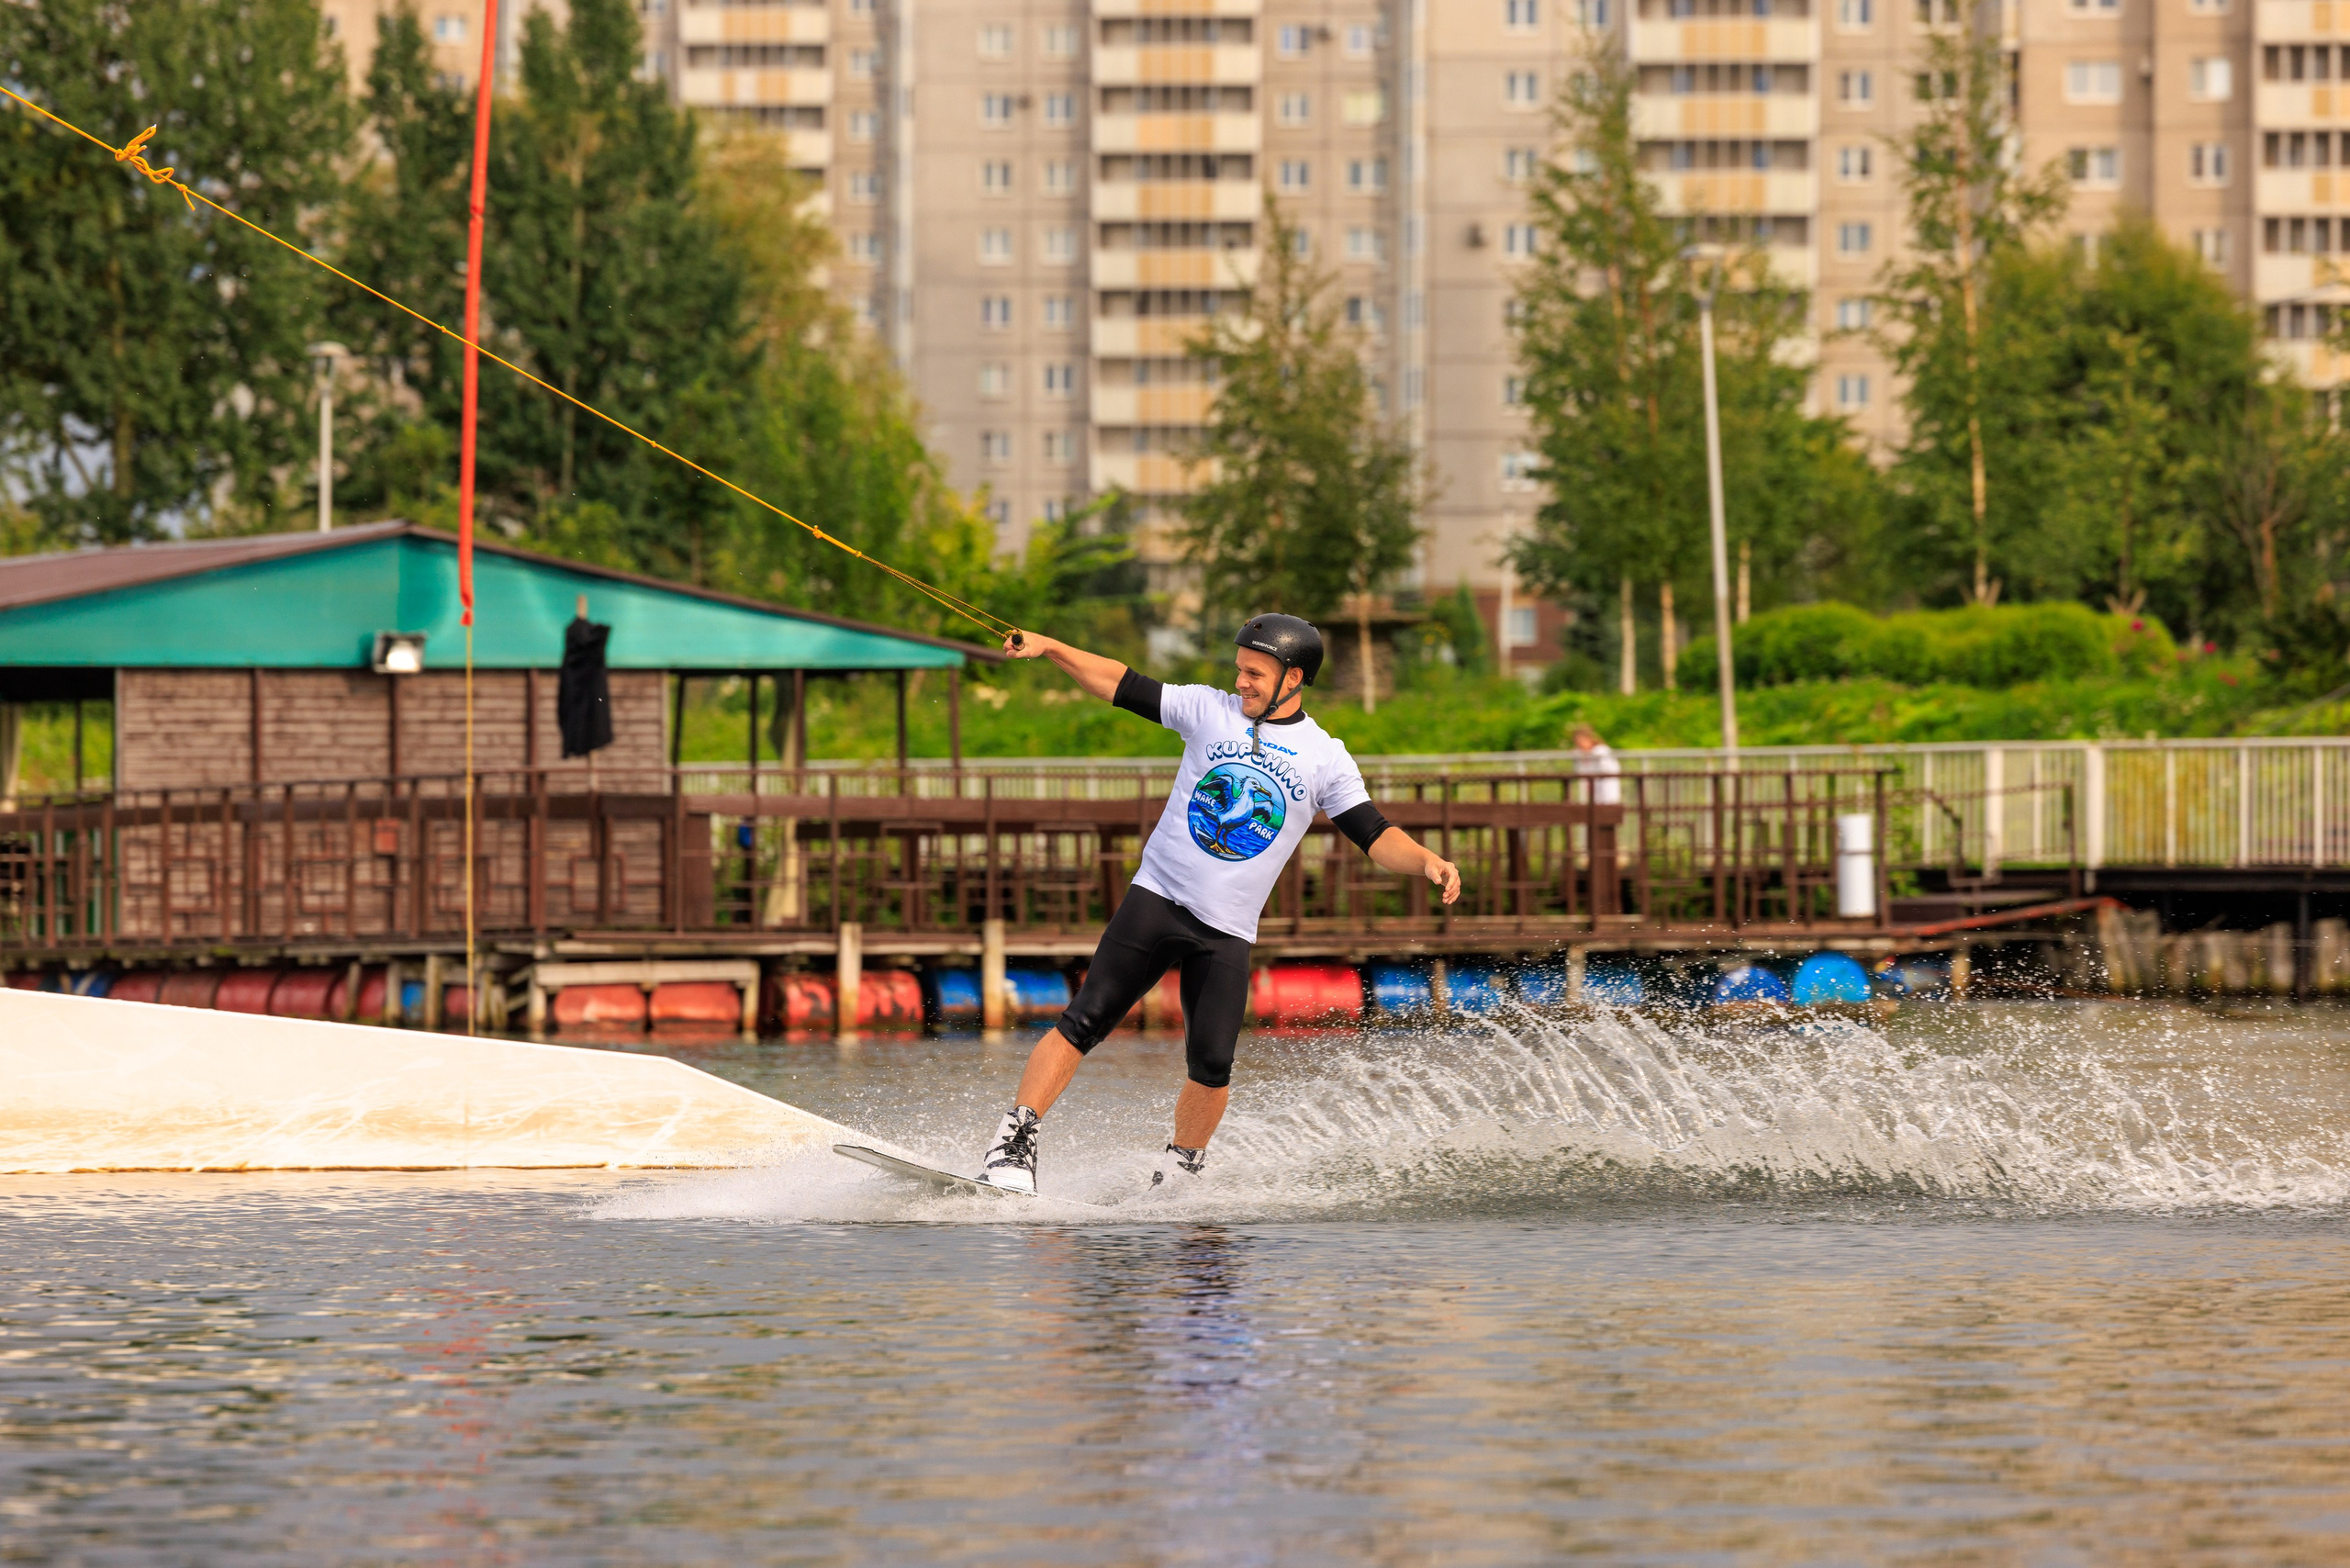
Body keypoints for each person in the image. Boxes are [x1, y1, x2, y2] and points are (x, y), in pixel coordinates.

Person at [977, 614, 1463, 1194]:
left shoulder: (1325, 757)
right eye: (1239, 669)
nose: (1241, 682)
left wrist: (1426, 860)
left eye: (1254, 673)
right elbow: (1120, 682)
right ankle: (1012, 1145)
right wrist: (1052, 646)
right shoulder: (1208, 710)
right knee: (1084, 1021)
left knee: (1212, 1066)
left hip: (1227, 930)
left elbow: (1375, 834)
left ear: (1294, 677)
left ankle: (1179, 1175)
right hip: (1156, 899)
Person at [1569, 723, 1621, 806]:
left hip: (1605, 788)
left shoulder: (1601, 751)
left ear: (1589, 739)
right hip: (1590, 790)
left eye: (1581, 741)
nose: (1580, 745)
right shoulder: (1580, 754)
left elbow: (1608, 770)